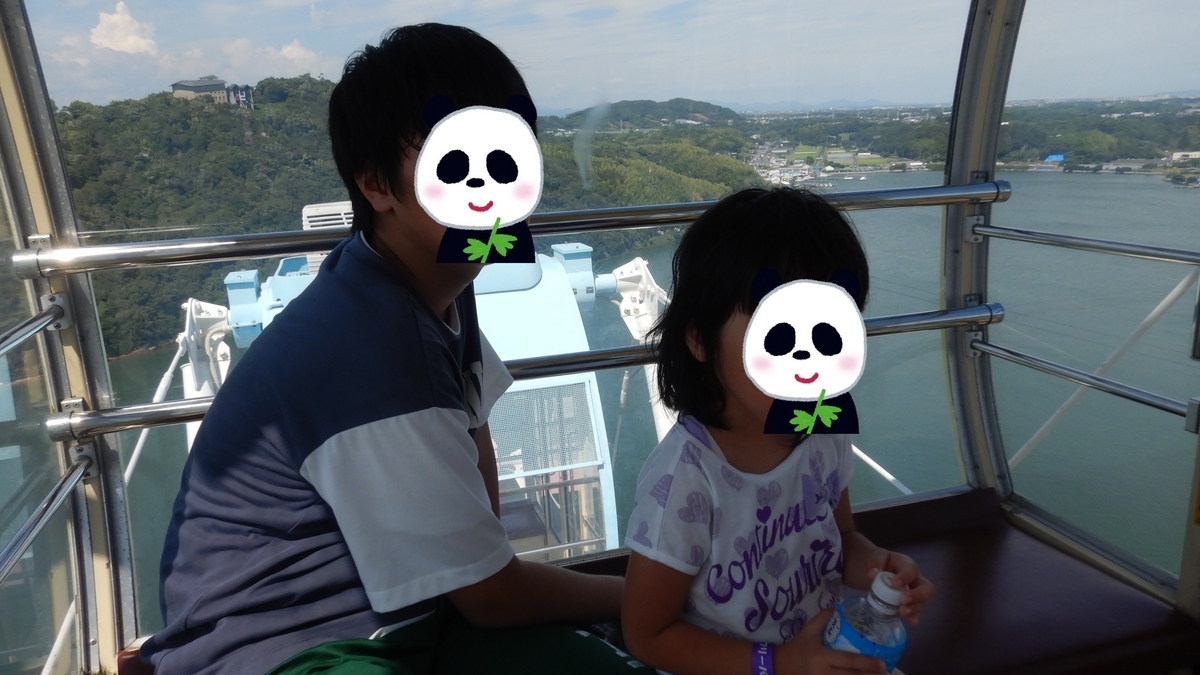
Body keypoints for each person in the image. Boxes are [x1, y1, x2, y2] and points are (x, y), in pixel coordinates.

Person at [141, 24, 652, 675]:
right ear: (376, 185)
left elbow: (474, 443)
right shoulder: (373, 346)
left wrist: (487, 580)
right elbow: (494, 597)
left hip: (412, 617)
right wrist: (649, 600)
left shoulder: (425, 281)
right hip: (288, 648)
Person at [620, 188, 935, 675]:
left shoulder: (823, 436)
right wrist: (778, 663)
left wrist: (879, 568)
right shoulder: (685, 480)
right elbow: (648, 634)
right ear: (700, 338)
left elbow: (841, 537)